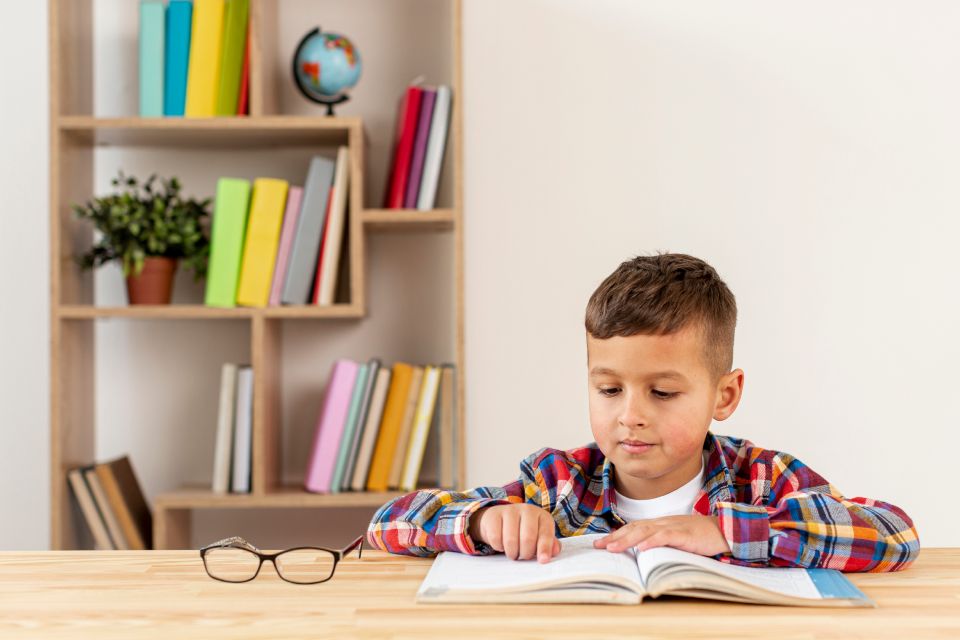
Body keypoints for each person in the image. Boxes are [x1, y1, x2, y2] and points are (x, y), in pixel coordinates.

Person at [365, 252, 919, 571]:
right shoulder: (558, 483)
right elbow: (389, 523)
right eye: (609, 390)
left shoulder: (764, 481)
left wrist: (729, 532)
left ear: (723, 396)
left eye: (662, 393)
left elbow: (895, 533)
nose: (631, 415)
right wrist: (486, 521)